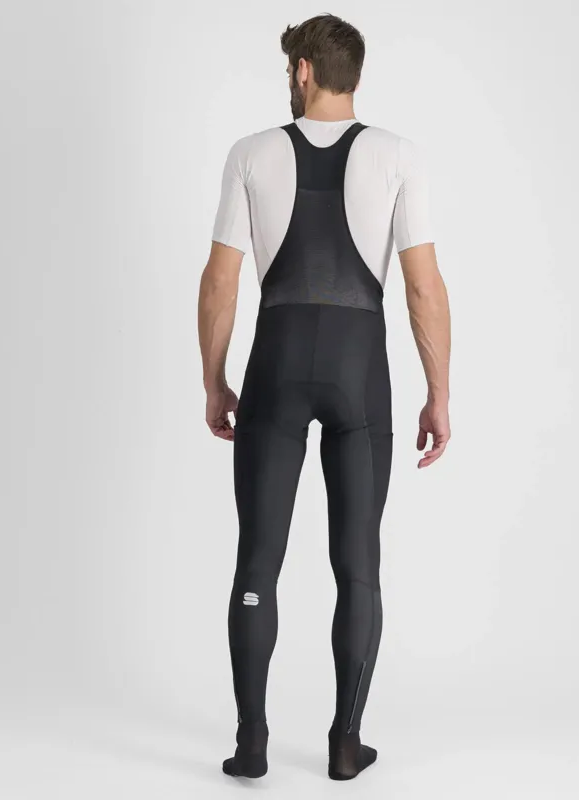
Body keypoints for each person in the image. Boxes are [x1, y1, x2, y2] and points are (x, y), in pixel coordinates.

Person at [197, 13, 451, 781]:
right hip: (358, 375)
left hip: (275, 367)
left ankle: (251, 745)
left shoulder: (250, 154)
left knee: (257, 559)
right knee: (358, 564)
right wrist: (439, 393)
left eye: (290, 68)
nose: (289, 78)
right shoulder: (398, 156)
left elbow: (220, 281)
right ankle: (346, 742)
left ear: (304, 70)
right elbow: (422, 287)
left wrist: (214, 380)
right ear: (354, 75)